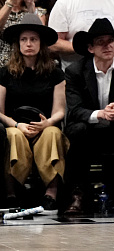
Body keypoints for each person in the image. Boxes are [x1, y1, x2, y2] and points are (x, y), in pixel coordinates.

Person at [63, 18, 114, 213]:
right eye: (101, 42)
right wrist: (100, 114)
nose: (108, 46)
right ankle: (77, 193)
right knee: (77, 129)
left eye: (111, 41)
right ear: (90, 48)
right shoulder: (75, 71)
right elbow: (75, 110)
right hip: (89, 127)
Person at [0, 14, 67, 211]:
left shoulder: (55, 73)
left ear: (41, 43)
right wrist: (16, 125)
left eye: (33, 39)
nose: (28, 44)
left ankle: (51, 192)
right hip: (15, 124)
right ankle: (12, 192)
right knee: (11, 135)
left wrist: (47, 123)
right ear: (18, 44)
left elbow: (59, 111)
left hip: (43, 124)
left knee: (53, 133)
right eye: (24, 39)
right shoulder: (5, 73)